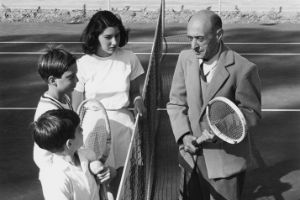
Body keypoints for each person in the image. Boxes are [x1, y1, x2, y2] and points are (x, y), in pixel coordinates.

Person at [167, 10, 261, 200]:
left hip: (225, 165)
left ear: (218, 35)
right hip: (190, 159)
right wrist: (184, 136)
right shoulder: (185, 58)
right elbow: (176, 102)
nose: (193, 45)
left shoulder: (243, 68)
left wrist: (219, 129)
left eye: (200, 39)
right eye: (190, 38)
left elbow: (250, 112)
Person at [72, 10, 145, 197]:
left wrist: (138, 101)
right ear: (95, 37)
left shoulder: (129, 58)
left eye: (117, 35)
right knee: (98, 181)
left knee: (125, 179)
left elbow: (136, 92)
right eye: (108, 37)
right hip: (94, 128)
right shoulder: (83, 64)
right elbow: (76, 107)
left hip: (124, 127)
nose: (114, 42)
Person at [32, 109, 111, 200]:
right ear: (69, 144)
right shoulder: (54, 178)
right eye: (78, 129)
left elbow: (104, 181)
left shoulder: (88, 155)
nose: (82, 129)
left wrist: (106, 173)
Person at [33, 46, 78, 169]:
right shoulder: (49, 111)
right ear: (53, 80)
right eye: (71, 77)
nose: (77, 80)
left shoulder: (65, 98)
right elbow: (43, 156)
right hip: (57, 171)